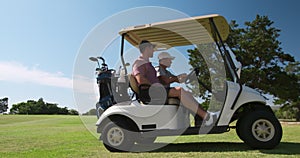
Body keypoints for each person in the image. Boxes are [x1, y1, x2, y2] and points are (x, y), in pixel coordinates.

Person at [132, 40, 217, 126]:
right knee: (179, 91)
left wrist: (183, 78)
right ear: (147, 48)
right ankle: (207, 117)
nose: (153, 51)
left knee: (186, 93)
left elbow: (171, 79)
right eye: (152, 48)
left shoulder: (148, 64)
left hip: (155, 90)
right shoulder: (139, 63)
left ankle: (199, 118)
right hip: (149, 92)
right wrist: (156, 86)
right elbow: (140, 80)